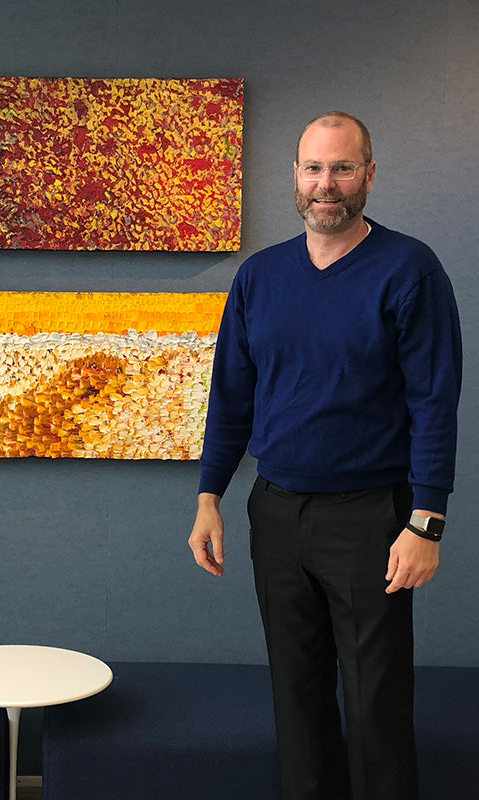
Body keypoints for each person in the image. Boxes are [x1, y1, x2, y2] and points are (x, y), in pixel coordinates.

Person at [188, 111, 461, 800]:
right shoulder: (259, 277)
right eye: (313, 168)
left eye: (342, 168)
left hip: (373, 518)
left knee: (375, 707)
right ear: (295, 176)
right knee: (297, 698)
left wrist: (427, 521)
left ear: (369, 174)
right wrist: (209, 497)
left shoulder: (409, 269)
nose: (326, 184)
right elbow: (232, 397)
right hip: (276, 513)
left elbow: (434, 399)